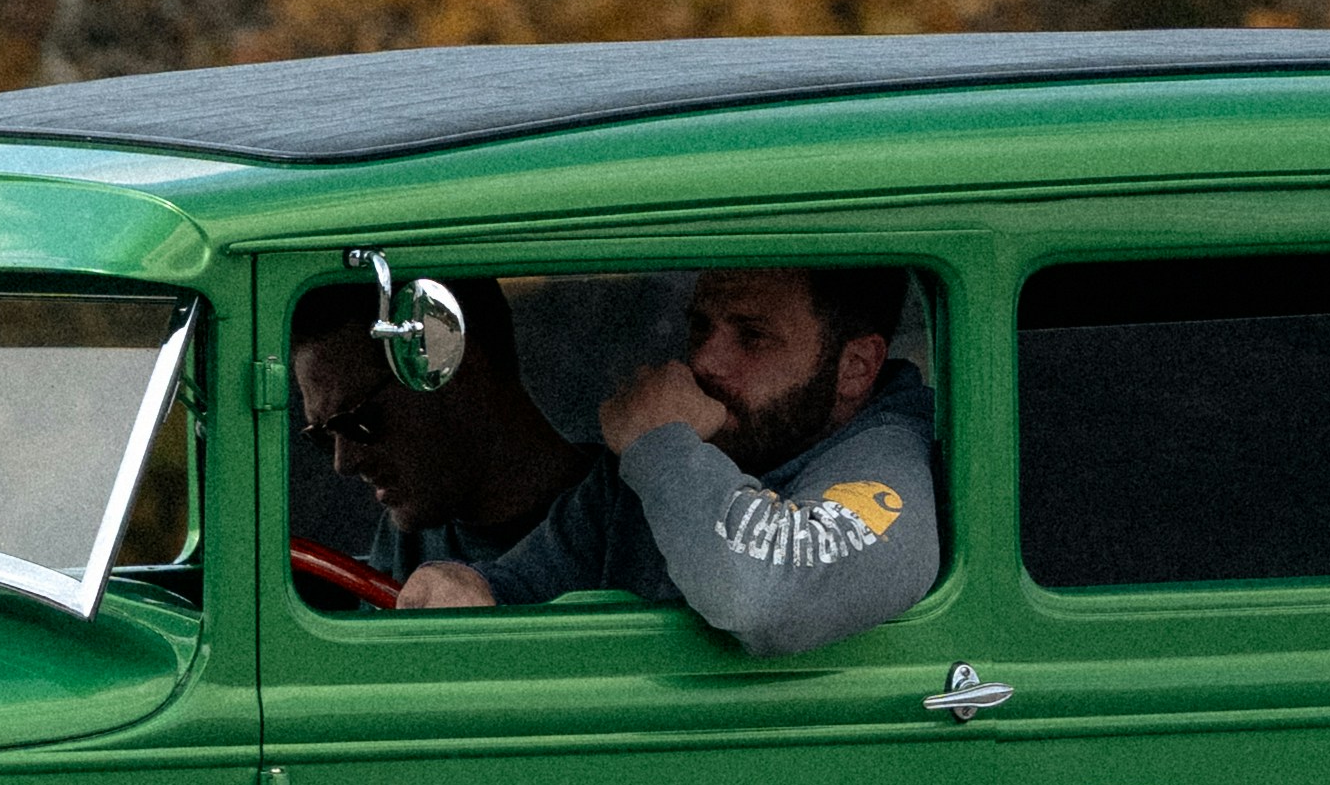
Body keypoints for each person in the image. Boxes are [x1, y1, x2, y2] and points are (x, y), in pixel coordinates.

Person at [396, 262, 940, 657]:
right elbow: (525, 587)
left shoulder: (887, 464)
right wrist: (466, 584)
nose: (704, 361)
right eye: (700, 327)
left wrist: (660, 445)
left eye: (752, 337)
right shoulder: (665, 463)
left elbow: (767, 600)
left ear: (855, 367)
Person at [292, 276, 595, 582]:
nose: (344, 463)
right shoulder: (405, 536)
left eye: (358, 420)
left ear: (456, 370)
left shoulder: (616, 523)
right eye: (323, 436)